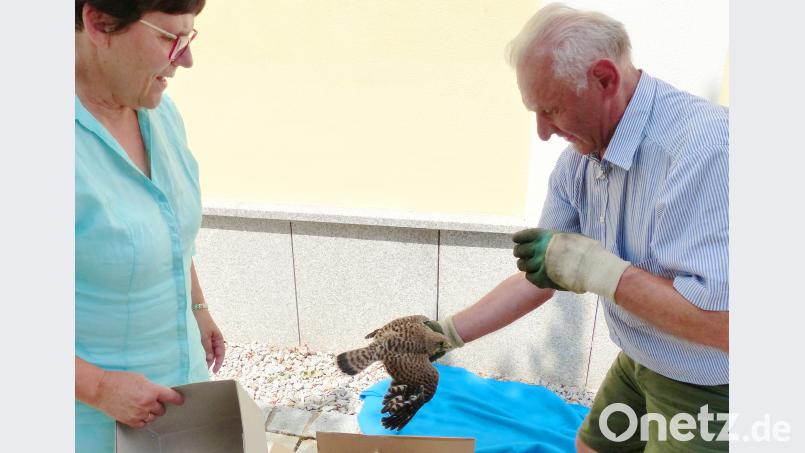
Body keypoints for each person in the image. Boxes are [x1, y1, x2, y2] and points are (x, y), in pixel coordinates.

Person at [421, 4, 729, 452]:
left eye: (551, 109)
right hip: (643, 356)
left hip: (714, 381)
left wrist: (599, 271)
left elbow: (726, 328)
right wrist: (443, 335)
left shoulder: (707, 151)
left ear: (605, 79)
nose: (543, 132)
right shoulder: (579, 163)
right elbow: (538, 279)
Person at [74, 1, 225, 451]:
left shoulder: (158, 110)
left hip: (181, 402)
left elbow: (169, 225)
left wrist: (198, 308)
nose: (186, 58)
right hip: (91, 424)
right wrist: (99, 388)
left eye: (189, 37)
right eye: (168, 38)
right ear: (99, 23)